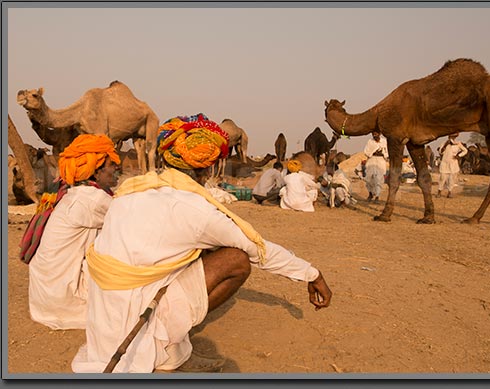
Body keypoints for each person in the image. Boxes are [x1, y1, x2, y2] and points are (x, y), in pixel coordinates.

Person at [71, 115, 332, 373]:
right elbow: (257, 249)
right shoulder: (196, 210)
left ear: (166, 158)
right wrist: (311, 273)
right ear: (206, 169)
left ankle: (168, 340)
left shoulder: (131, 190)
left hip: (101, 323)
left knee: (195, 251)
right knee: (236, 260)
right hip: (136, 325)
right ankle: (170, 348)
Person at [24, 134, 121, 330]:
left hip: (45, 294)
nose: (115, 169)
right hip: (61, 298)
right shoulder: (91, 200)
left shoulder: (72, 193)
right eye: (111, 164)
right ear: (96, 170)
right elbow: (131, 217)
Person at [436, 133, 468, 198]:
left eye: (453, 137)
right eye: (451, 136)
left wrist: (458, 156)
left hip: (453, 163)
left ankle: (449, 192)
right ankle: (439, 192)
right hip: (445, 163)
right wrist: (445, 145)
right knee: (442, 178)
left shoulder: (458, 144)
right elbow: (440, 152)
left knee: (452, 178)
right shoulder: (444, 143)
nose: (452, 138)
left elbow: (465, 151)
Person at [363, 129, 388, 203]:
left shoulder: (384, 141)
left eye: (376, 133)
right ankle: (370, 194)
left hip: (381, 161)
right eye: (373, 134)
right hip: (372, 160)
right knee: (369, 179)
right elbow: (366, 152)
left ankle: (377, 196)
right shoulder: (370, 142)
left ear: (380, 133)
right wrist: (374, 151)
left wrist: (382, 153)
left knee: (379, 179)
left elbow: (387, 152)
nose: (374, 135)